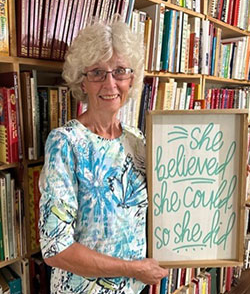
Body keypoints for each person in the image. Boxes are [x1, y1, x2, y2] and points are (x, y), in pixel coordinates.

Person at [39, 18, 169, 294]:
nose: (110, 83)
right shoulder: (65, 143)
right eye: (97, 72)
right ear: (82, 82)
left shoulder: (137, 141)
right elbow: (55, 249)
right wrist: (134, 269)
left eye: (120, 71)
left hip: (136, 288)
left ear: (131, 79)